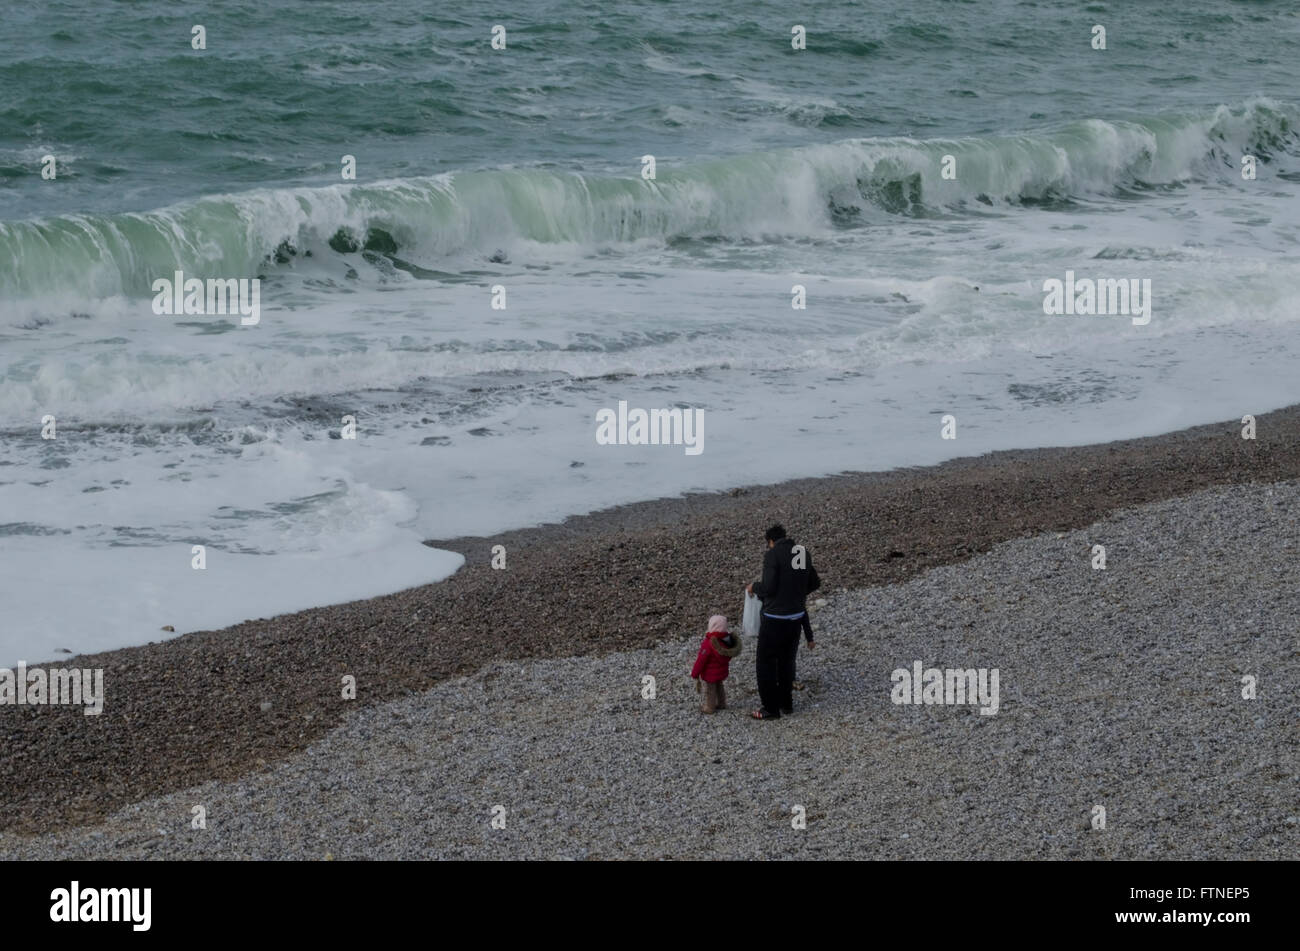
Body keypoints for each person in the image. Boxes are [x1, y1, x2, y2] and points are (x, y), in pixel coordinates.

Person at [747, 523, 819, 720]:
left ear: (771, 541)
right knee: (787, 661)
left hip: (775, 619)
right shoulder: (801, 552)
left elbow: (769, 587)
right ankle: (787, 704)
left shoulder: (773, 555)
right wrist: (795, 595)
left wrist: (754, 587)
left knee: (766, 663)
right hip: (796, 617)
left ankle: (770, 708)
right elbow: (814, 582)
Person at [690, 615, 742, 714]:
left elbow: (701, 660)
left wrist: (695, 673)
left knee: (710, 690)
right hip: (721, 672)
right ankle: (722, 703)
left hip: (710, 674)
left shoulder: (709, 643)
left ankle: (710, 707)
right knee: (719, 686)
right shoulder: (727, 641)